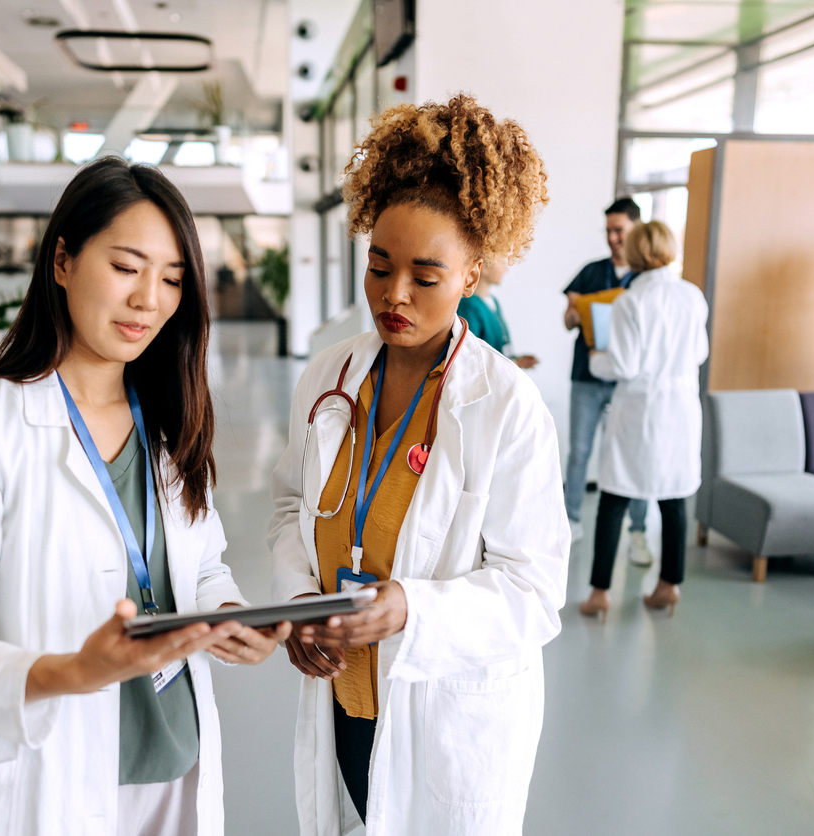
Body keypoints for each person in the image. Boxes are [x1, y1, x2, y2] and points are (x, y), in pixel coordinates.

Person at [0, 158, 289, 836]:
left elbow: (200, 568)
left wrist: (228, 614)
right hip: (49, 781)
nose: (149, 300)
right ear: (62, 261)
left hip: (177, 765)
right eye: (127, 266)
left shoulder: (168, 423)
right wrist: (75, 670)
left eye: (171, 278)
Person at [269, 95, 569, 836]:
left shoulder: (505, 405)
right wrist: (301, 603)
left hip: (447, 712)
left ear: (472, 274)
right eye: (378, 265)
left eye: (425, 277)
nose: (392, 295)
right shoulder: (328, 378)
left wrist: (411, 608)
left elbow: (533, 591)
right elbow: (287, 507)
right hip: (344, 697)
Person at [578, 220, 708, 618]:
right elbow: (700, 353)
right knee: (673, 498)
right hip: (682, 408)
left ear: (635, 254)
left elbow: (625, 364)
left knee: (615, 497)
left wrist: (595, 358)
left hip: (641, 409)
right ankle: (669, 585)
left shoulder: (631, 301)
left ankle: (600, 594)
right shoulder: (692, 295)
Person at [563, 198, 651, 564]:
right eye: (610, 232)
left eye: (620, 231)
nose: (614, 238)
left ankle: (639, 532)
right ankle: (571, 520)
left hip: (628, 382)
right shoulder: (590, 272)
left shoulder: (648, 280)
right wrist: (575, 309)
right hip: (587, 377)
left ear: (637, 230)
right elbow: (567, 321)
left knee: (635, 453)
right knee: (580, 452)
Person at [456, 260, 538, 368]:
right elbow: (468, 355)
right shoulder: (469, 306)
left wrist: (514, 360)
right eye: (502, 263)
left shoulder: (493, 302)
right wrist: (514, 364)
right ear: (484, 267)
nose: (506, 270)